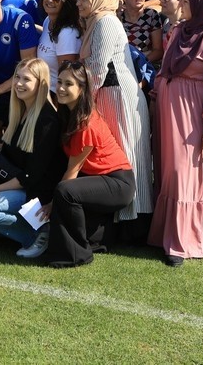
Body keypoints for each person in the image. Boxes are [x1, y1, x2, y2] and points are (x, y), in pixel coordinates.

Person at [148, 0, 203, 266]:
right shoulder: (179, 31)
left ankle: (183, 239)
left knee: (183, 171)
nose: (182, 4)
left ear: (201, 7)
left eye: (186, 0)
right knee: (167, 170)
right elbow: (165, 67)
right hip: (167, 108)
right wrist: (155, 95)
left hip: (192, 112)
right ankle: (164, 234)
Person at [0, 58, 66, 256]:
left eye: (26, 79)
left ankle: (38, 235)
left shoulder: (47, 120)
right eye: (17, 77)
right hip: (19, 185)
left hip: (35, 192)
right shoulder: (20, 110)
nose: (19, 83)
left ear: (41, 84)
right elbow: (13, 151)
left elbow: (30, 176)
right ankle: (26, 226)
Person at [44, 61, 136, 268]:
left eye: (68, 84)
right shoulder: (68, 114)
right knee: (64, 192)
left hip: (118, 183)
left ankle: (77, 255)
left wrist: (52, 204)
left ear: (82, 89)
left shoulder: (86, 124)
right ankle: (98, 239)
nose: (61, 88)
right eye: (59, 82)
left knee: (65, 191)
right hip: (99, 178)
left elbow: (73, 171)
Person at [77, 0, 153, 227]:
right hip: (108, 94)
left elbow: (99, 67)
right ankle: (121, 216)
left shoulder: (106, 22)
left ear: (98, 0)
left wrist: (86, 101)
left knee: (126, 151)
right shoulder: (95, 22)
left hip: (117, 95)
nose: (79, 3)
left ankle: (133, 218)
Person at [35, 0, 82, 89]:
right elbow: (49, 37)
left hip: (56, 93)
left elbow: (66, 75)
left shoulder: (67, 33)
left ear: (66, 3)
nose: (50, 0)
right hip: (44, 90)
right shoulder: (48, 20)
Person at [118, 0, 164, 65]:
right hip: (121, 64)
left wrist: (137, 63)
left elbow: (158, 51)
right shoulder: (118, 17)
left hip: (143, 64)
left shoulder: (151, 15)